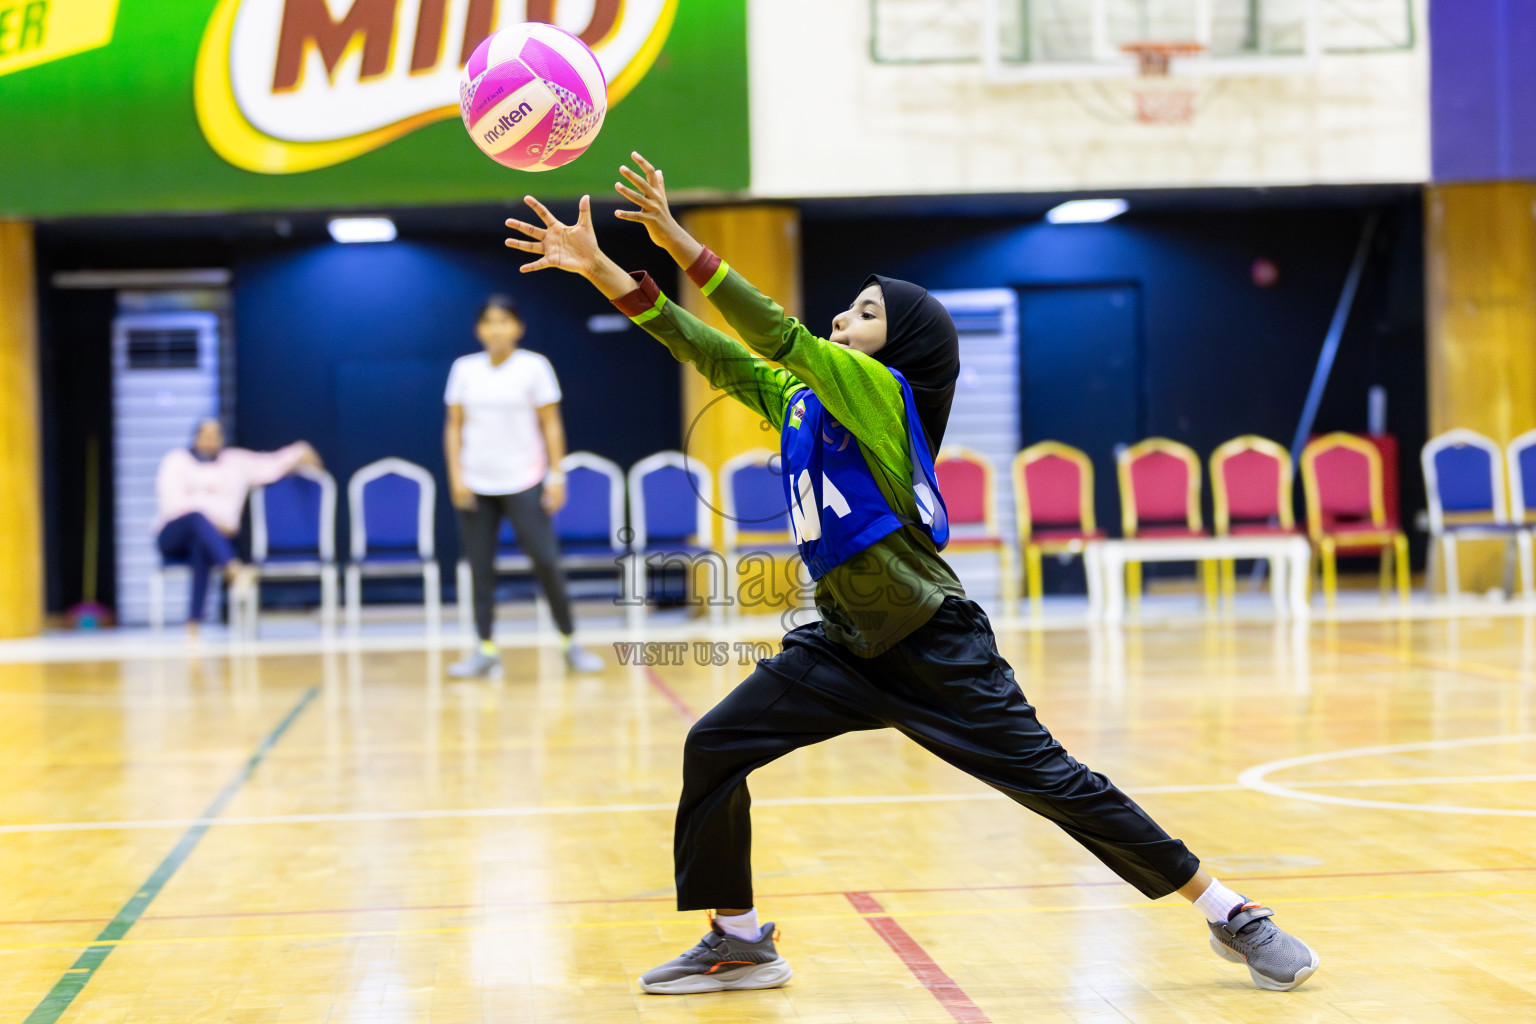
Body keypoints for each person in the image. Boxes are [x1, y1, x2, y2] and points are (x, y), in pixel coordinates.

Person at [503, 155, 1320, 996]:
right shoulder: (803, 400)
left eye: (866, 312)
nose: (843, 318)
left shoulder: (884, 393)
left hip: (934, 642)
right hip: (847, 645)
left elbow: (776, 331)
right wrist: (603, 268)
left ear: (903, 344)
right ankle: (740, 941)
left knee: (1059, 786)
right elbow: (704, 346)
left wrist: (681, 241)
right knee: (714, 745)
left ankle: (1230, 911)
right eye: (849, 307)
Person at [444, 294, 604, 677]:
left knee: (546, 562)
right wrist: (456, 476)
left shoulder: (535, 367)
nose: (496, 329)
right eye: (488, 322)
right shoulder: (464, 369)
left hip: (525, 480)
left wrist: (557, 474)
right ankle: (484, 649)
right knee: (481, 569)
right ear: (478, 330)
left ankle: (569, 641)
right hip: (476, 482)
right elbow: (454, 427)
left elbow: (551, 424)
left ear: (518, 327)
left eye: (503, 321)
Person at [154, 420, 321, 630]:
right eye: (205, 434)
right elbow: (173, 506)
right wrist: (214, 521)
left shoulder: (234, 462)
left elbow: (270, 463)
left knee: (202, 546)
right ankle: (234, 570)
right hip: (174, 535)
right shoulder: (176, 461)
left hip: (209, 540)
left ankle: (193, 623)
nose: (210, 440)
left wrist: (300, 451)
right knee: (198, 519)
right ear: (195, 437)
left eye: (215, 435)